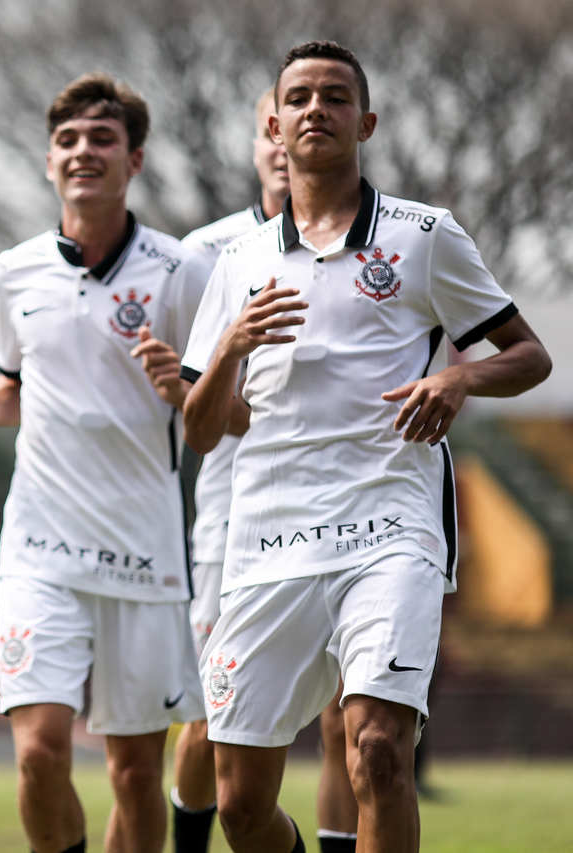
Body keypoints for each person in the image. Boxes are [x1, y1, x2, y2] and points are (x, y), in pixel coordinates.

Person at [180, 41, 551, 853]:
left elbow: (529, 356)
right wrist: (233, 346)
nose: (317, 109)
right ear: (274, 125)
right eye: (301, 98)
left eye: (336, 97)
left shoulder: (425, 236)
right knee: (238, 803)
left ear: (366, 121)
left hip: (390, 525)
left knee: (378, 749)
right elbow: (199, 429)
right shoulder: (235, 261)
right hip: (267, 539)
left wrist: (458, 381)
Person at [0, 73, 210, 853]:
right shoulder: (14, 270)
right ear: (48, 161)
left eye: (101, 139)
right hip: (41, 549)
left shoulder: (179, 271)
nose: (82, 152)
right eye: (67, 141)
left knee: (135, 773)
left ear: (134, 159)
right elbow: (15, 387)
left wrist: (184, 383)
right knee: (38, 752)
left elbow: (217, 411)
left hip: (143, 547)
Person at [170, 90, 358, 853]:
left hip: (351, 510)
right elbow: (196, 398)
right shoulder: (208, 253)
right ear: (261, 141)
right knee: (213, 720)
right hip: (237, 521)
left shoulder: (382, 244)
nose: (286, 144)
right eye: (270, 129)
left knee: (351, 715)